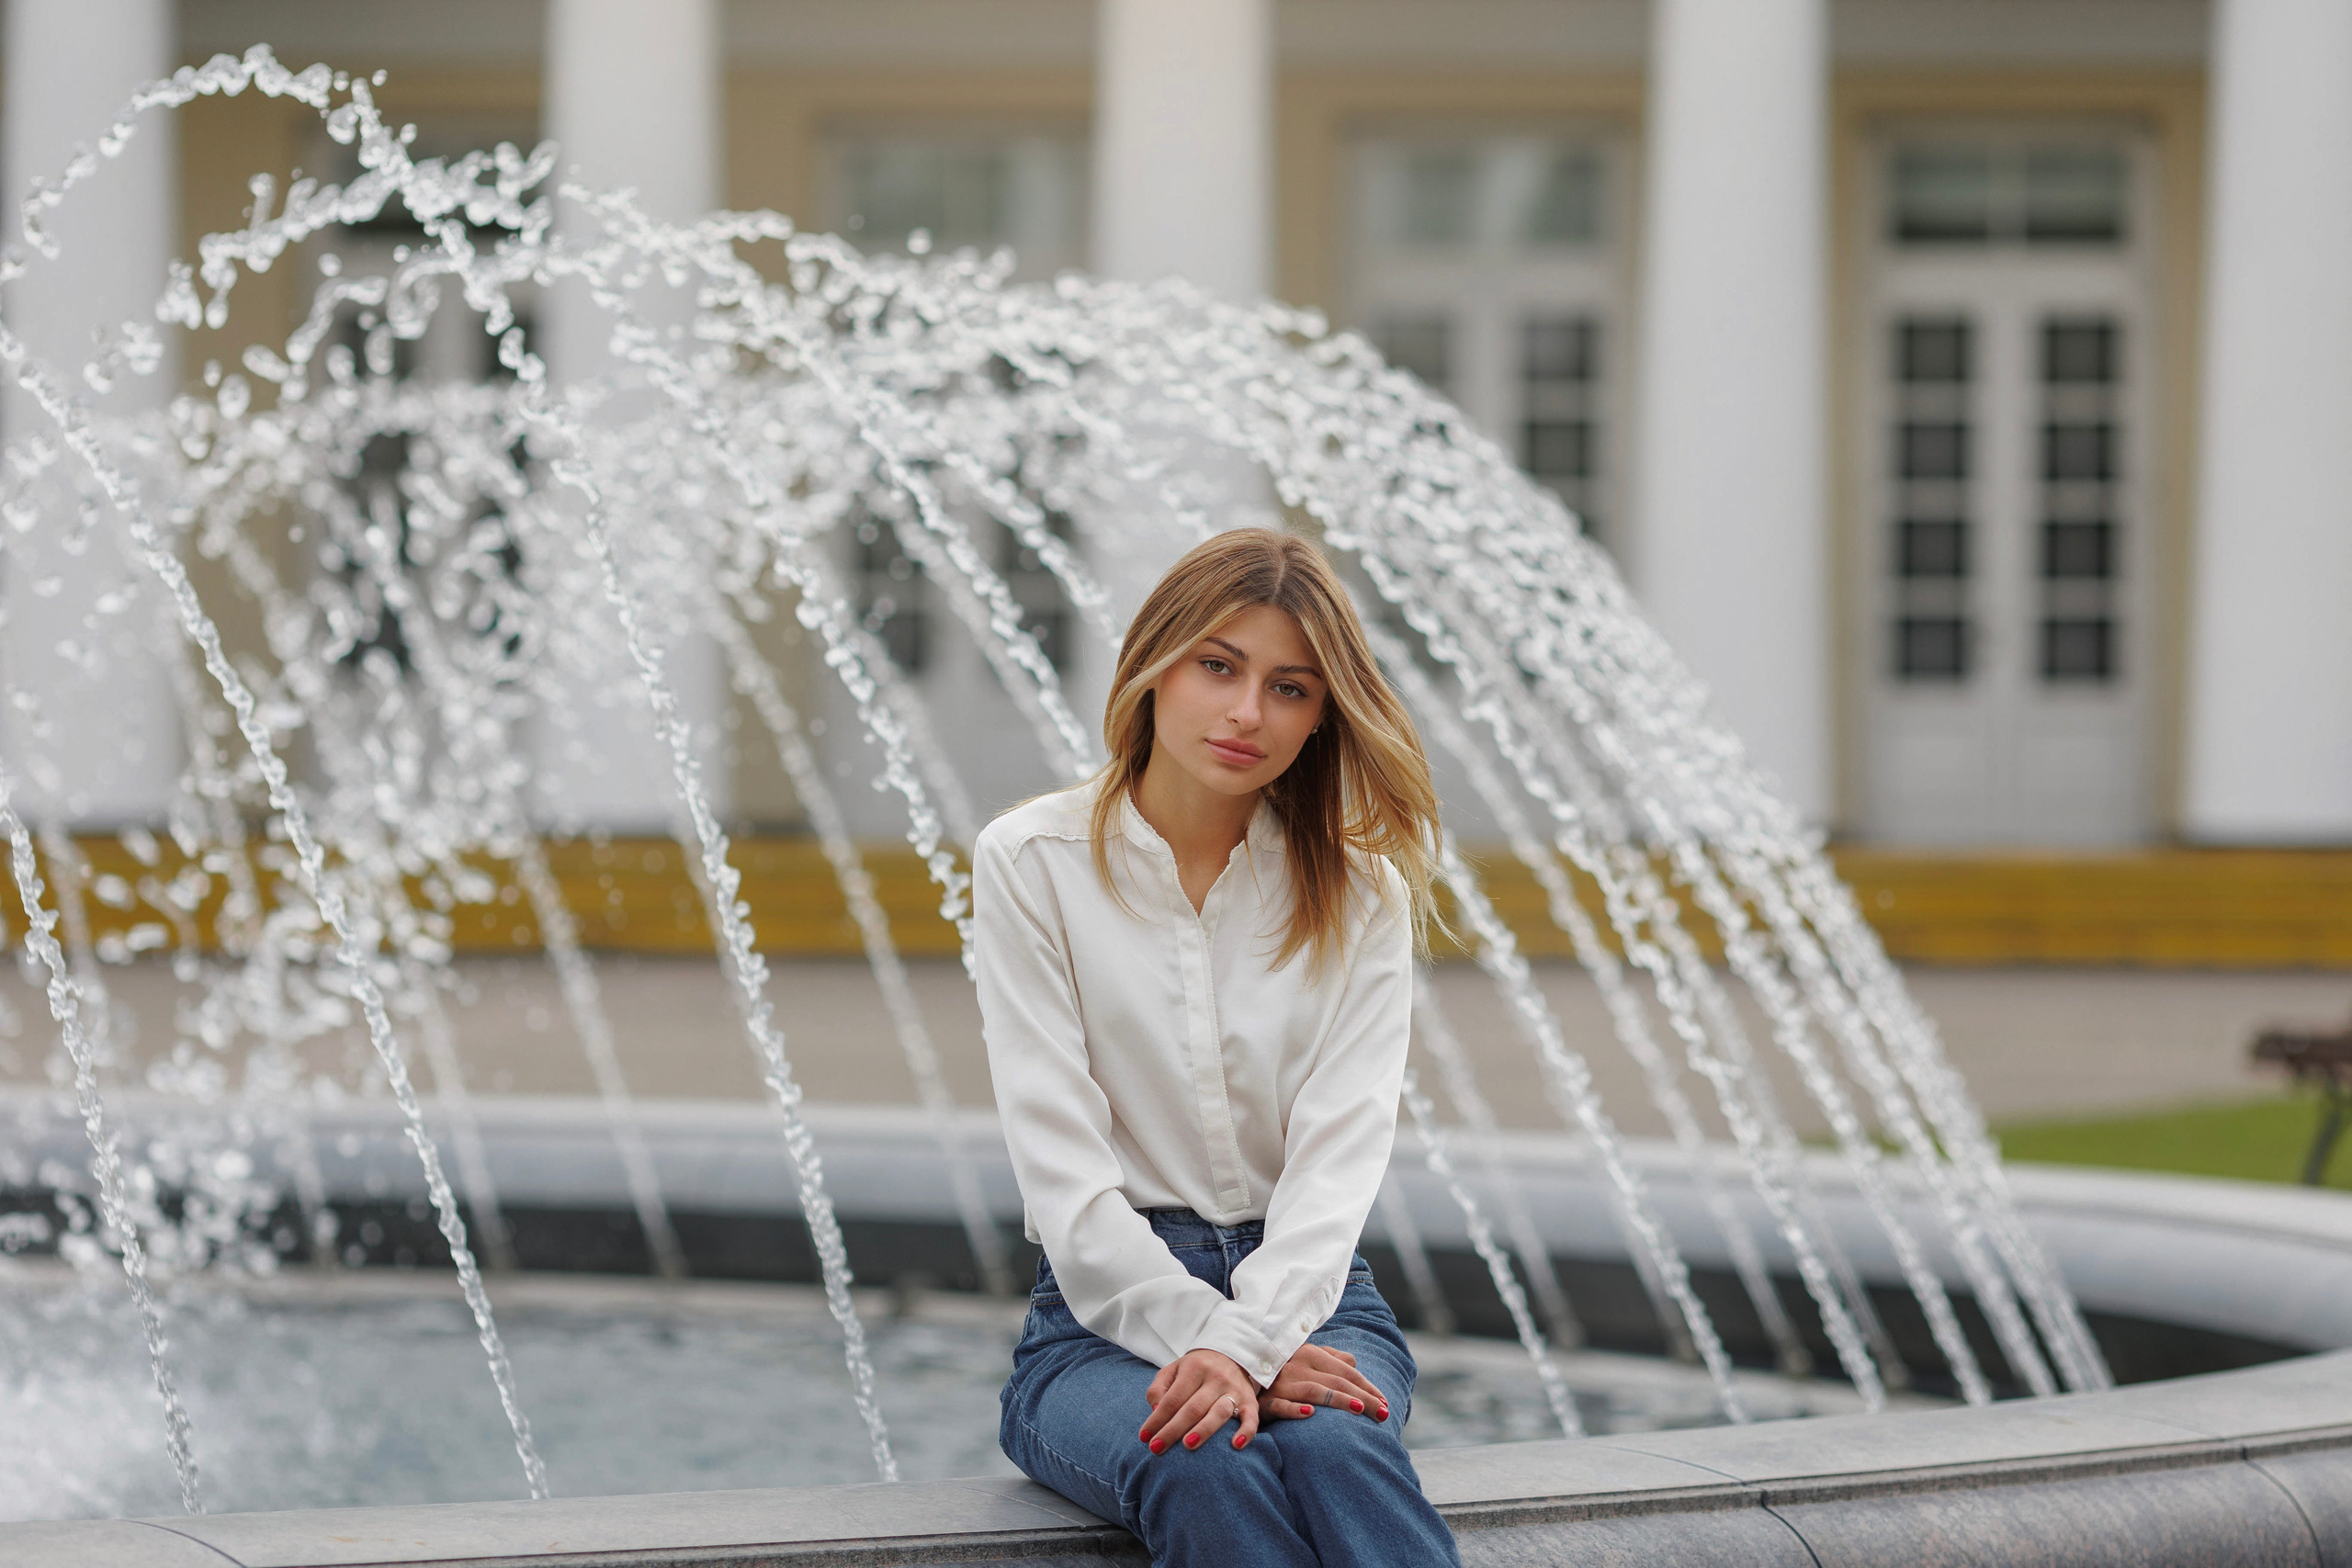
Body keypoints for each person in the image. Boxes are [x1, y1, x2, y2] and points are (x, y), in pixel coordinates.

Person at [975, 528, 1463, 1566]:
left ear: (1323, 713)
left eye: (1290, 688)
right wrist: (1223, 1348)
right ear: (1154, 665)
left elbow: (1339, 1163)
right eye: (1218, 667)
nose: (1248, 713)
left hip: (1314, 1298)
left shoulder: (1361, 891)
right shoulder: (1033, 863)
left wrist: (1256, 1337)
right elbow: (1062, 1175)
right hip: (1100, 1320)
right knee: (1203, 1452)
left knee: (1338, 1449)